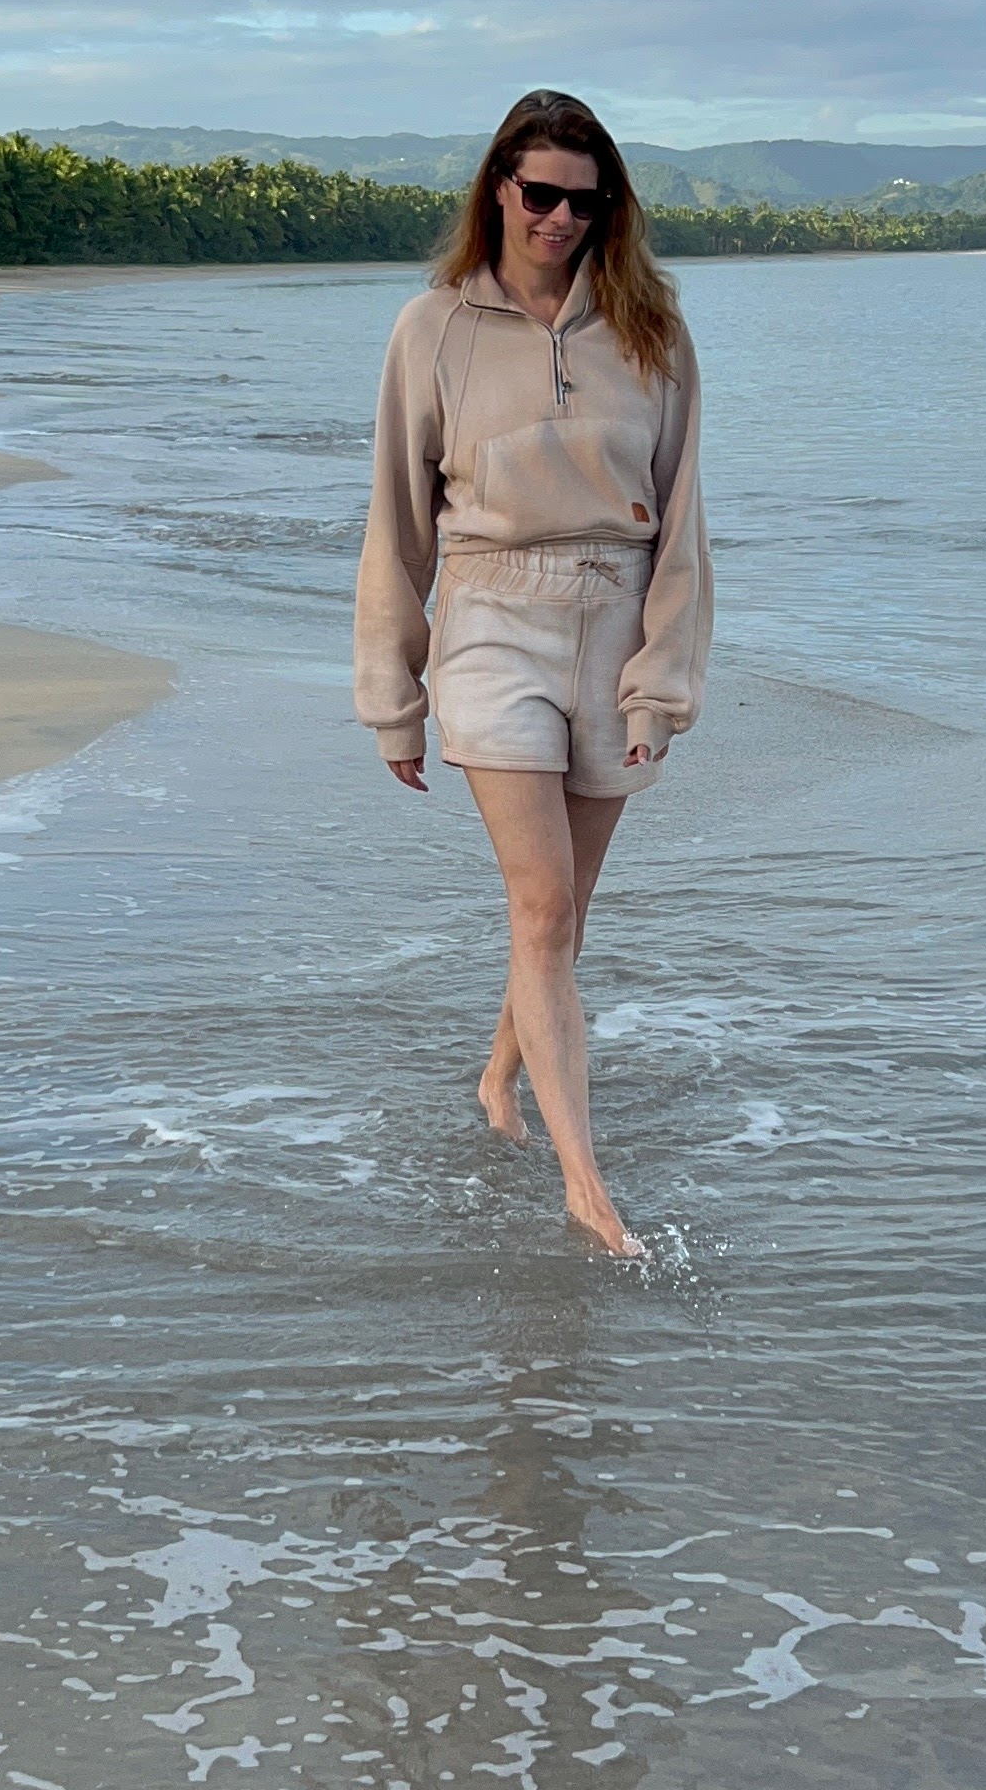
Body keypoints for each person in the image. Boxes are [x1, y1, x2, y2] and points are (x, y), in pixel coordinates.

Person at [353, 89, 712, 1257]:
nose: (560, 218)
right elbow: (397, 526)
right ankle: (586, 1187)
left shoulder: (651, 329)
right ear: (499, 190)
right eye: (540, 194)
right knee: (545, 907)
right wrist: (391, 697)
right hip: (491, 619)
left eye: (584, 201)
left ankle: (499, 1080)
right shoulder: (431, 329)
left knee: (560, 918)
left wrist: (665, 678)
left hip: (612, 628)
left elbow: (684, 524)